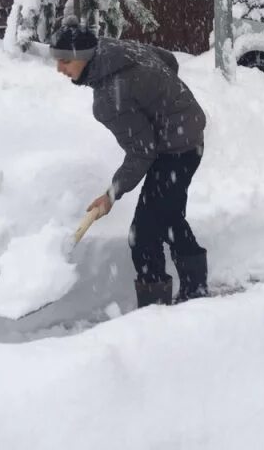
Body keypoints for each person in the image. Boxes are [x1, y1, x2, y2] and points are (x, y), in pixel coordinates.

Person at [50, 18, 209, 308]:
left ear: (83, 58)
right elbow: (167, 60)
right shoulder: (113, 49)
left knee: (143, 235)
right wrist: (162, 101)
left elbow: (142, 151)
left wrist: (112, 194)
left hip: (177, 148)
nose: (59, 69)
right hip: (188, 130)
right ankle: (195, 291)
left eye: (64, 61)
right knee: (169, 217)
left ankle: (155, 311)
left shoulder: (111, 98)